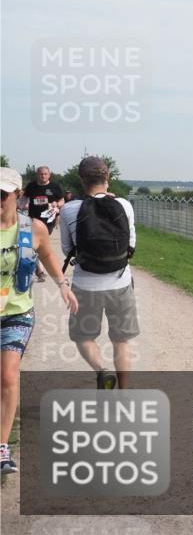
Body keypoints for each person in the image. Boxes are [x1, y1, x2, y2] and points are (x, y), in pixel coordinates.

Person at [1, 167, 79, 475]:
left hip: (17, 313)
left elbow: (46, 254)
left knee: (7, 375)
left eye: (2, 195)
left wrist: (63, 285)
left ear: (17, 196)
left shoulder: (32, 229)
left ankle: (2, 446)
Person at [60, 156, 138, 391]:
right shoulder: (124, 205)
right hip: (120, 282)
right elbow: (131, 246)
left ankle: (102, 371)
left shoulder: (69, 210)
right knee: (121, 340)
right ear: (108, 177)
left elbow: (67, 248)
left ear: (81, 179)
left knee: (83, 337)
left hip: (85, 285)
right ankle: (124, 394)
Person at [23, 166, 64, 281]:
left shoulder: (55, 187)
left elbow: (62, 200)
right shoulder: (31, 186)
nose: (43, 176)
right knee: (34, 245)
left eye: (45, 174)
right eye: (41, 174)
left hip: (48, 220)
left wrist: (57, 204)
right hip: (33, 219)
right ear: (37, 175)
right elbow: (24, 198)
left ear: (49, 175)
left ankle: (38, 268)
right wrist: (20, 205)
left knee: (40, 246)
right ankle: (40, 271)